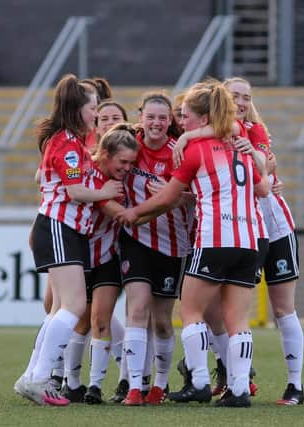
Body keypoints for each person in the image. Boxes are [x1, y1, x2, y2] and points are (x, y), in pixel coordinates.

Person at [116, 81, 270, 408]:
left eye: (185, 117)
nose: (180, 123)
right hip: (249, 242)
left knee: (191, 311)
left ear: (201, 118)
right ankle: (239, 389)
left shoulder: (194, 149)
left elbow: (169, 197)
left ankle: (199, 381)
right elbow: (264, 189)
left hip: (214, 239)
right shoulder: (239, 141)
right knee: (237, 320)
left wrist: (134, 213)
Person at [172, 77, 304, 405]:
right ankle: (233, 376)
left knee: (282, 308)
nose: (242, 102)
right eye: (235, 96)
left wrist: (189, 135)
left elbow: (262, 171)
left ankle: (294, 385)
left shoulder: (252, 131)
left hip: (271, 226)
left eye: (247, 97)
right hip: (242, 231)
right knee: (220, 310)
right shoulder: (221, 134)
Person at [15, 74, 123, 406]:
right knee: (75, 307)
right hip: (61, 227)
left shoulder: (71, 142)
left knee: (62, 308)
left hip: (65, 229)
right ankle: (41, 378)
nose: (96, 114)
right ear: (78, 109)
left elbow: (48, 176)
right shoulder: (68, 145)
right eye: (93, 108)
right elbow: (75, 191)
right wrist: (104, 192)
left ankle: (32, 376)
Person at [118, 92, 192, 406]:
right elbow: (101, 163)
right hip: (135, 240)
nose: (157, 123)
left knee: (162, 321)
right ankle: (135, 385)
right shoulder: (128, 146)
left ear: (170, 121)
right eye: (151, 117)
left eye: (163, 118)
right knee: (136, 311)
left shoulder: (179, 153)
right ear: (141, 117)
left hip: (172, 245)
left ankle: (160, 384)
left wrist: (174, 195)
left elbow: (197, 195)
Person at [81, 123, 139, 404]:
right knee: (77, 321)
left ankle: (94, 386)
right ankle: (64, 378)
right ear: (104, 153)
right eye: (122, 162)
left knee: (99, 319)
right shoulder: (83, 171)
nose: (127, 168)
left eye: (131, 163)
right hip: (78, 256)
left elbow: (119, 212)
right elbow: (53, 180)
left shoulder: (123, 181)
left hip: (108, 257)